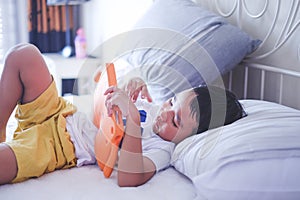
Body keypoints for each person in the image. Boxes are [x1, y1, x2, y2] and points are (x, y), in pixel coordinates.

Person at [0, 43, 245, 187]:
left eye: (176, 120)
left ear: (189, 139)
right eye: (172, 102)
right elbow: (103, 87)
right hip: (61, 110)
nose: (165, 113)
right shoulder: (152, 104)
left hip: (59, 145)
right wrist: (127, 83)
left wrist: (134, 122)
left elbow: (129, 178)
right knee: (24, 54)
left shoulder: (163, 150)